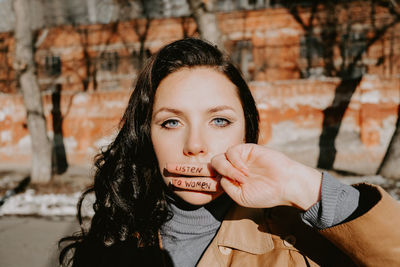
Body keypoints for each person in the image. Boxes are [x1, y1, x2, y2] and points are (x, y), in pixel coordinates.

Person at [59, 38, 400, 267]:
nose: (195, 145)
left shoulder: (300, 246)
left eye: (219, 120)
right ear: (146, 136)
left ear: (246, 132)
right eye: (171, 123)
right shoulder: (114, 242)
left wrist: (304, 186)